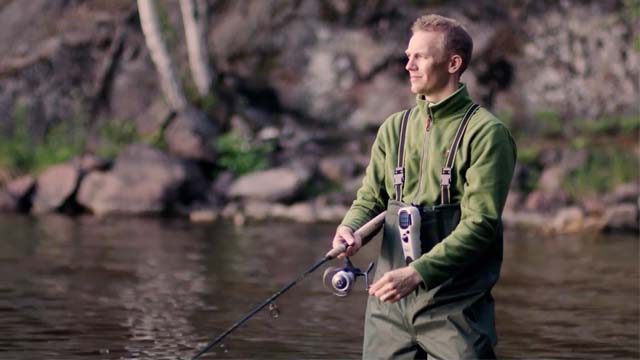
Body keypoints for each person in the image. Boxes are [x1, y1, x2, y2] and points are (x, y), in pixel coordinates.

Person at [332, 14, 517, 359]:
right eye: (408, 56)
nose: (408, 65)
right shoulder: (393, 128)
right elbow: (371, 198)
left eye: (420, 57)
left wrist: (417, 273)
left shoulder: (487, 134)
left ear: (453, 63)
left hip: (455, 310)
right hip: (386, 311)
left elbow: (480, 226)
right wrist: (350, 227)